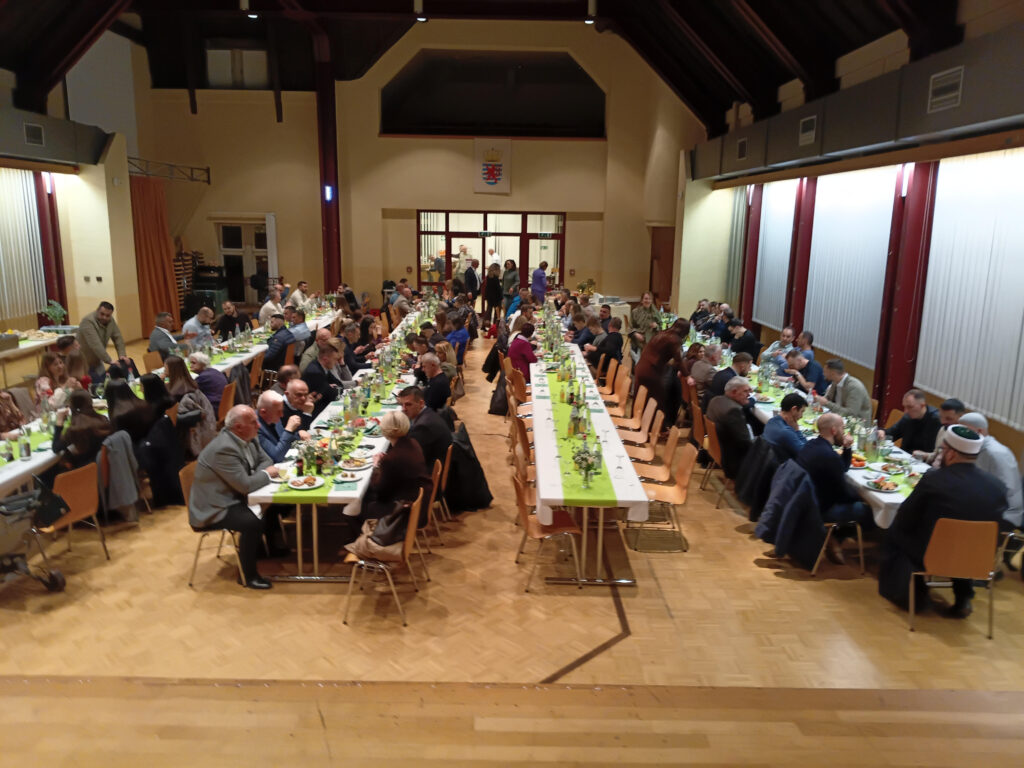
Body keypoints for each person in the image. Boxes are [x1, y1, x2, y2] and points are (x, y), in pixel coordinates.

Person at [879, 425, 1008, 617]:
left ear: (951, 454)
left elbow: (905, 518)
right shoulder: (997, 487)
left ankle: (910, 593)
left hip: (934, 555)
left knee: (895, 531)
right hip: (978, 558)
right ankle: (964, 596)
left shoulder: (934, 480)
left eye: (942, 449)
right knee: (965, 541)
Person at [190, 406, 283, 589]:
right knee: (252, 522)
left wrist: (257, 475)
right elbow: (246, 485)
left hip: (234, 495)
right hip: (214, 507)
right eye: (253, 422)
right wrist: (265, 474)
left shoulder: (249, 437)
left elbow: (266, 461)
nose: (259, 425)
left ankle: (266, 550)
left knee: (272, 505)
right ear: (238, 427)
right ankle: (248, 576)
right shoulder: (224, 449)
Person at [797, 413, 871, 563]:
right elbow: (844, 495)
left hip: (806, 503)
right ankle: (835, 537)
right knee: (871, 513)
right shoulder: (829, 456)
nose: (844, 432)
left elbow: (841, 467)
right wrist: (863, 496)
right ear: (834, 430)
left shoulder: (812, 445)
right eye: (843, 428)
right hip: (820, 510)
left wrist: (847, 448)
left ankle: (833, 537)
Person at [358, 409, 432, 525]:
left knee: (360, 506)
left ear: (384, 430)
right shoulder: (413, 443)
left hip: (405, 510)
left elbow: (381, 495)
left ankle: (362, 534)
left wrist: (376, 466)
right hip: (419, 502)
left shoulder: (391, 459)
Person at [959, 412, 1023, 530]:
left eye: (964, 431)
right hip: (991, 505)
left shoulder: (996, 453)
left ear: (979, 431)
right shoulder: (978, 448)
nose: (961, 436)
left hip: (1006, 515)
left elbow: (1006, 491)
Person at [635, 319, 689, 428]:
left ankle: (638, 421)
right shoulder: (674, 339)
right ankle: (657, 428)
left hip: (641, 366)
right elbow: (678, 360)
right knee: (658, 400)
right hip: (651, 371)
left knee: (641, 397)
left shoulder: (663, 333)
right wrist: (687, 375)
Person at [706, 377, 756, 478]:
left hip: (718, 450)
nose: (749, 394)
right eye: (745, 391)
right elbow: (746, 443)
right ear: (734, 392)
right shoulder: (733, 411)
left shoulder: (715, 400)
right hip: (733, 460)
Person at [51, 389, 112, 471]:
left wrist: (59, 422)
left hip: (86, 473)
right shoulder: (103, 419)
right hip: (106, 468)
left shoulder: (75, 429)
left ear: (71, 406)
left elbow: (56, 448)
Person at [397, 386, 452, 471]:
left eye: (408, 404)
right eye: (402, 405)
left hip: (430, 471)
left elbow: (410, 459)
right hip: (435, 461)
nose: (403, 409)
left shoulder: (422, 427)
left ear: (421, 403)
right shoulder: (428, 413)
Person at [77, 301, 129, 383]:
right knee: (95, 385)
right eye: (102, 314)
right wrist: (109, 360)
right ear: (97, 310)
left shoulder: (111, 321)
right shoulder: (87, 321)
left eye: (107, 315)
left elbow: (117, 337)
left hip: (97, 360)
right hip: (83, 362)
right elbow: (95, 344)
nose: (104, 317)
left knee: (104, 382)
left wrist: (122, 354)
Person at [879, 389, 942, 454]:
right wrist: (882, 432)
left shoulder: (937, 421)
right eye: (905, 407)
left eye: (910, 407)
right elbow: (891, 434)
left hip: (923, 459)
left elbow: (937, 453)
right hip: (905, 456)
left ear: (922, 405)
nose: (905, 411)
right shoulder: (907, 417)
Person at [256, 390, 309, 462]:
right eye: (278, 412)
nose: (281, 415)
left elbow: (283, 439)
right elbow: (277, 457)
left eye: (282, 410)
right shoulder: (255, 428)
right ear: (263, 412)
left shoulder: (272, 416)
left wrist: (298, 435)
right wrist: (289, 430)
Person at [912, 398, 964, 466]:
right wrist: (925, 455)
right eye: (941, 417)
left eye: (949, 419)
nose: (943, 422)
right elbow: (937, 454)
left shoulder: (963, 439)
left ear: (961, 417)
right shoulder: (943, 429)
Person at [302, 338, 346, 415]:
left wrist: (329, 387)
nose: (336, 363)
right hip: (313, 412)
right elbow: (333, 395)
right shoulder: (315, 372)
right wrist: (329, 387)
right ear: (325, 359)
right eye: (335, 359)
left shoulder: (323, 367)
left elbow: (340, 385)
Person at [763, 392, 809, 460]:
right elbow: (807, 453)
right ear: (794, 409)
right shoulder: (785, 432)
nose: (801, 416)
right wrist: (797, 431)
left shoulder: (771, 421)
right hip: (780, 465)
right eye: (802, 411)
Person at [483, 262, 503, 328]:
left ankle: (485, 325)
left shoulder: (488, 276)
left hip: (490, 297)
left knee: (488, 311)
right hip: (496, 297)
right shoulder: (495, 278)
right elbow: (498, 289)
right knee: (497, 313)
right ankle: (495, 326)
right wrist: (501, 297)